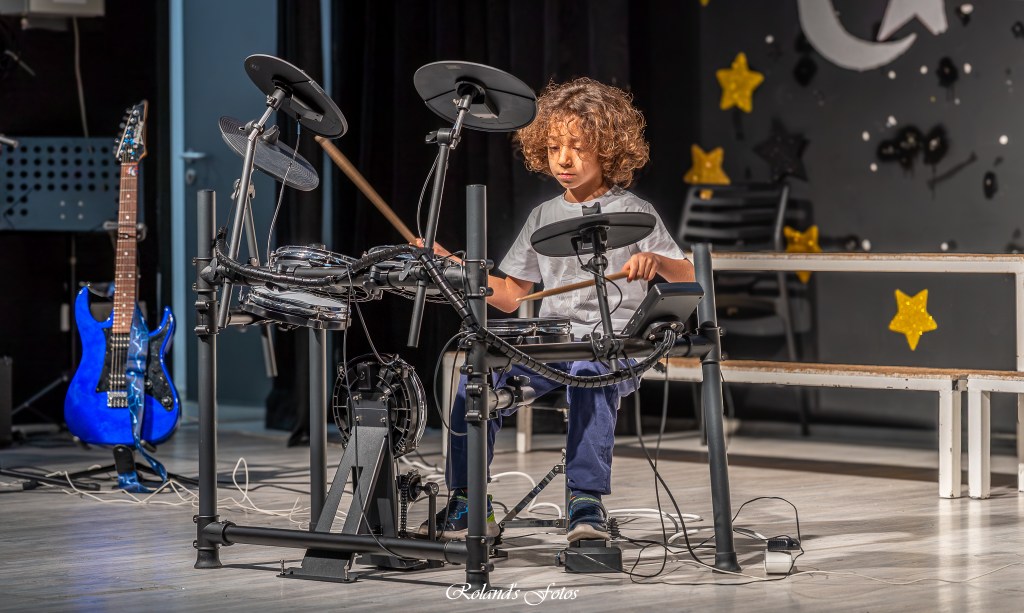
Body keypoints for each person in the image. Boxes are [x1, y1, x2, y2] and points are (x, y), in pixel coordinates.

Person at [417, 77, 694, 542]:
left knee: (589, 371)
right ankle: (468, 500)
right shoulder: (543, 216)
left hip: (613, 347)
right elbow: (511, 295)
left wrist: (656, 262)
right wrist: (453, 266)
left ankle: (585, 501)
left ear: (608, 148)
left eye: (577, 147)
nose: (563, 159)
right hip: (552, 345)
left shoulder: (634, 211)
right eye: (553, 148)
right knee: (475, 378)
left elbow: (687, 275)